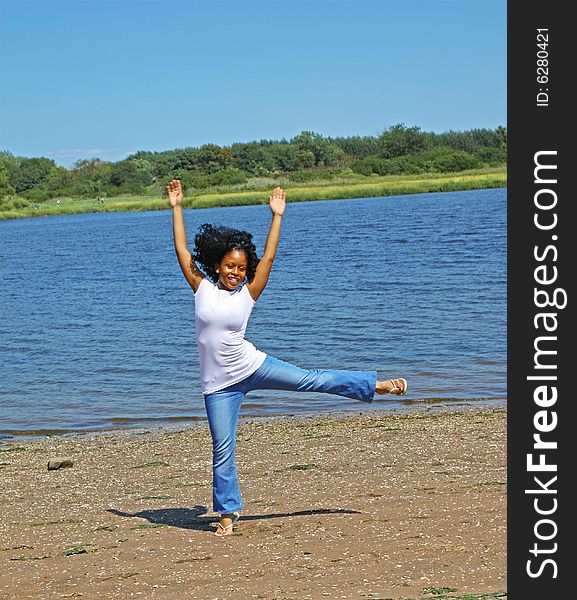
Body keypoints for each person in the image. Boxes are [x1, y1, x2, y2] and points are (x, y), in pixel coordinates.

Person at [167, 178, 408, 537]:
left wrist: (277, 216)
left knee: (312, 379)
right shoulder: (200, 287)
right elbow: (182, 249)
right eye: (230, 266)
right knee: (222, 448)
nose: (236, 272)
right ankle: (229, 516)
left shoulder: (248, 294)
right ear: (218, 265)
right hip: (219, 385)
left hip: (252, 365)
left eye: (241, 268)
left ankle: (374, 385)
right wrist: (176, 207)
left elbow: (269, 257)